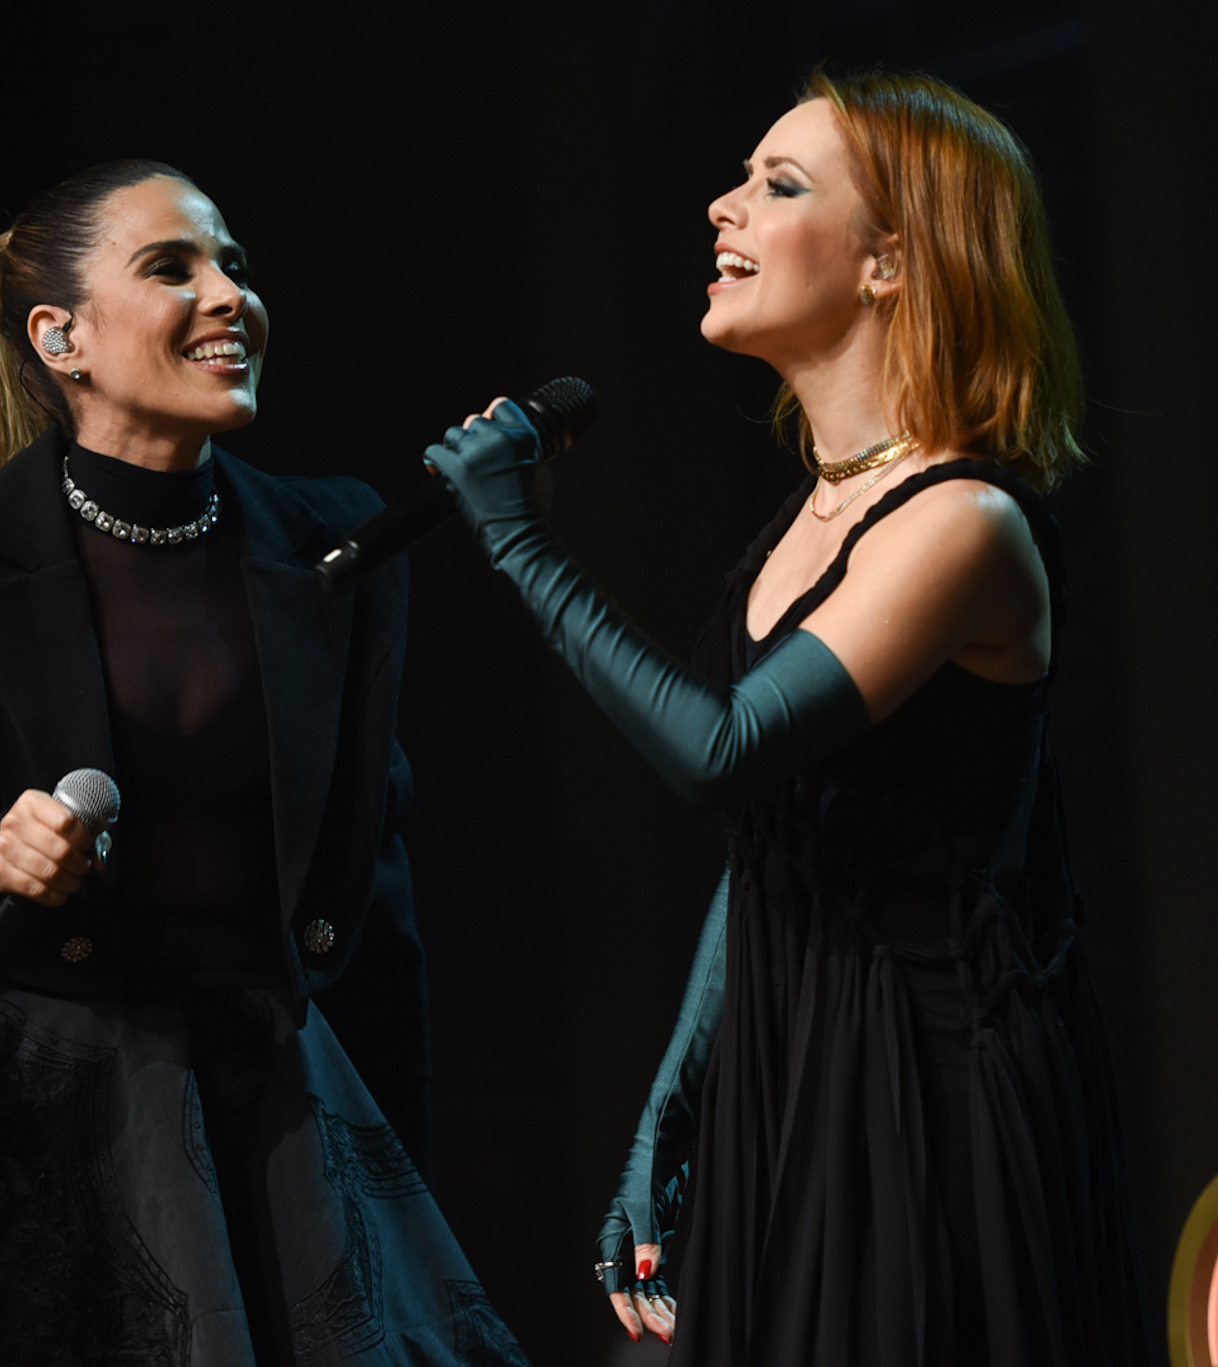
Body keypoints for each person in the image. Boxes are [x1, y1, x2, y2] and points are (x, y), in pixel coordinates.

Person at [422, 72, 1149, 1365]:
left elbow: (720, 751)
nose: (723, 207)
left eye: (779, 185)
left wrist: (519, 544)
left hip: (930, 1084)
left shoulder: (961, 522)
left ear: (889, 264)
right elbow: (778, 839)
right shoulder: (795, 531)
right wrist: (678, 1091)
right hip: (797, 1059)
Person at [0, 160, 527, 1367]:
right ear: (59, 336)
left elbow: (373, 896)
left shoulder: (333, 541)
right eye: (172, 266)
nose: (228, 293)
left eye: (233, 263)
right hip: (40, 1123)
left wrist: (395, 1173)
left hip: (281, 1119)